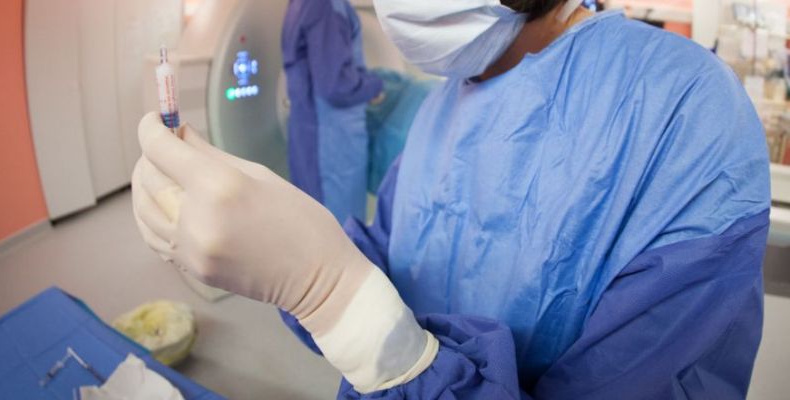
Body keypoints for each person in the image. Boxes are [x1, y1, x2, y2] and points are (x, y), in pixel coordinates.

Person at [131, 0, 771, 397]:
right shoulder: (447, 100)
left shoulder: (684, 113)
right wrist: (286, 255)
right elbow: (398, 258)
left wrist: (333, 294)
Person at [282, 0, 384, 223]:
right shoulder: (325, 6)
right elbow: (337, 86)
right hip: (333, 142)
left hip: (308, 134)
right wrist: (375, 84)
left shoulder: (299, 5)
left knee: (312, 224)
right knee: (341, 231)